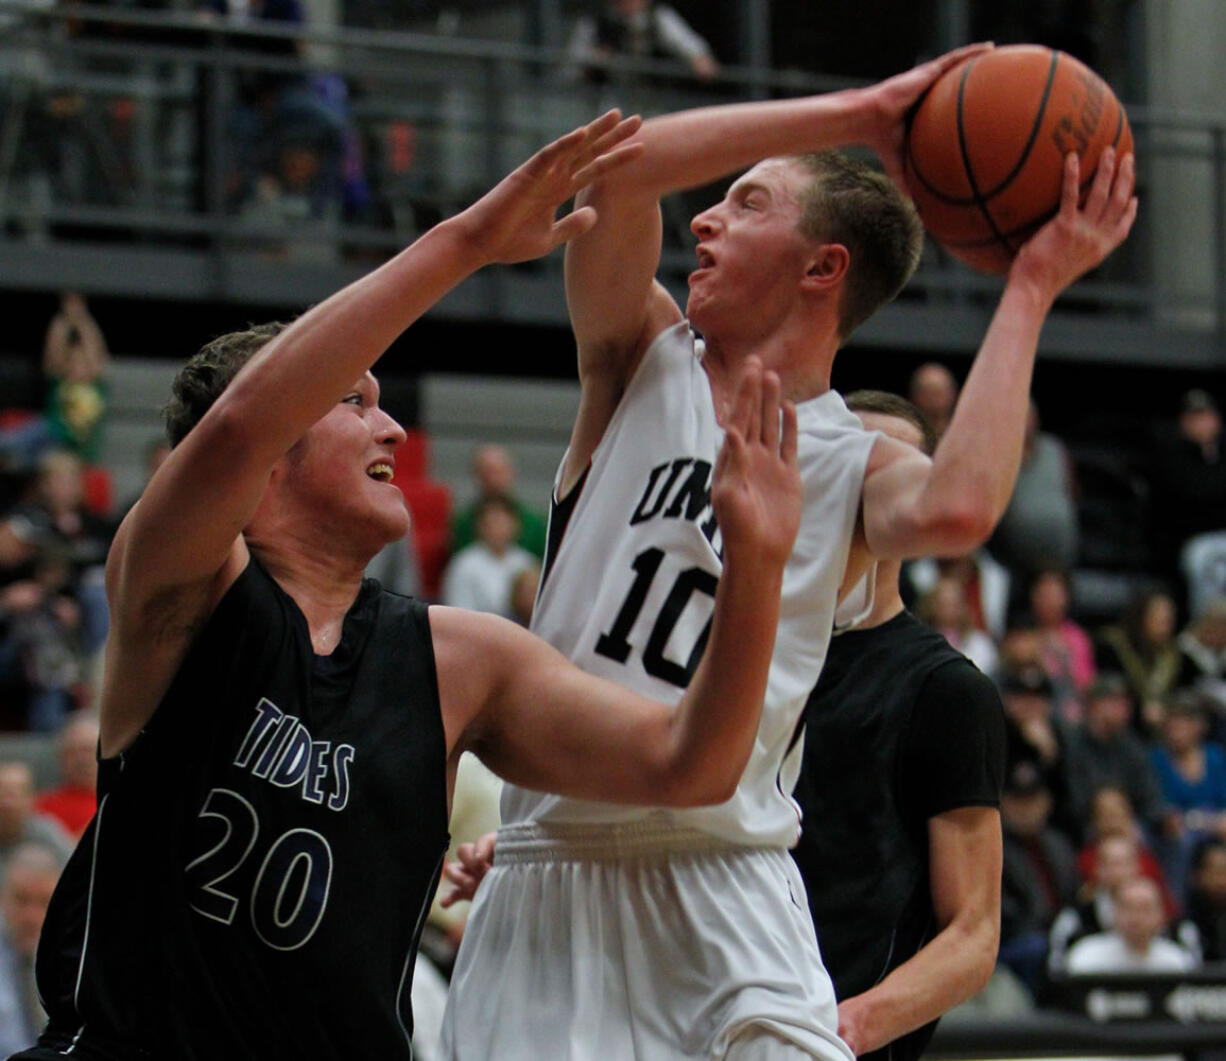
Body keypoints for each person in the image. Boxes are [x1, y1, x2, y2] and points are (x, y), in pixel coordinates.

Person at [12, 113, 806, 1060]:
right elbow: (234, 429)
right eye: (356, 402)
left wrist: (757, 568)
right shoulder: (179, 592)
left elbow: (693, 767)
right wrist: (466, 242)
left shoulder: (457, 659)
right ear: (270, 465)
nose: (391, 432)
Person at [442, 43, 1136, 1060]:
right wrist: (858, 111)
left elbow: (957, 511)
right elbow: (619, 170)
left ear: (822, 267)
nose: (706, 219)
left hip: (730, 873)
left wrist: (1029, 285)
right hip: (558, 866)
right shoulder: (640, 357)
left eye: (748, 203)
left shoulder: (853, 461)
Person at [790, 390, 1004, 1060]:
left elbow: (972, 933)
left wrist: (844, 1028)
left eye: (890, 469)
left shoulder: (944, 690)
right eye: (850, 464)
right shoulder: (743, 650)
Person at [0, 844, 63, 1057]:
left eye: (44, 903)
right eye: (21, 899)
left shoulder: (73, 963)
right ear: (2, 898)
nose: (31, 917)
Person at [565, 0, 720, 85]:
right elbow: (571, 67)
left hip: (649, 97)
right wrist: (594, 59)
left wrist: (699, 57)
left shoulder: (657, 17)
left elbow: (687, 42)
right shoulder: (597, 19)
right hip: (607, 99)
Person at [1065, 876, 1197, 974]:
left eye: (1144, 909)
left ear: (1161, 915)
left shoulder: (1177, 962)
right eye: (1127, 907)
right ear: (1114, 912)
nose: (1135, 917)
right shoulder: (1086, 956)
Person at [441, 494, 538, 619]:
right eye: (493, 522)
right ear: (480, 526)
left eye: (504, 522)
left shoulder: (527, 562)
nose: (499, 528)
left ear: (516, 525)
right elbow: (456, 613)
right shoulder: (463, 564)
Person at [449, 444, 547, 560]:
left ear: (511, 473)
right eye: (486, 472)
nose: (492, 479)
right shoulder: (463, 523)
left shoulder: (535, 524)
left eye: (498, 472)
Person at [31, 713, 99, 839]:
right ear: (60, 759)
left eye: (88, 750)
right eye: (72, 752)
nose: (82, 760)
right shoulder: (42, 807)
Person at [906, 362, 957, 440]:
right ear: (916, 395)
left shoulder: (962, 432)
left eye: (939, 392)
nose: (934, 398)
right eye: (928, 392)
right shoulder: (906, 433)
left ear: (953, 393)